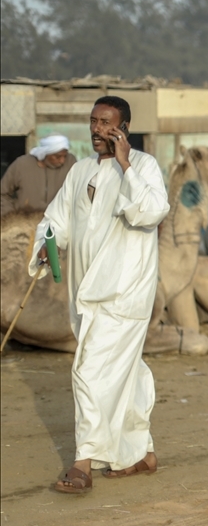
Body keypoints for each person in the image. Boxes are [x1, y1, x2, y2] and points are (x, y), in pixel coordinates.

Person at [30, 96, 169, 494]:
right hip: (86, 291)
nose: (97, 130)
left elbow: (151, 210)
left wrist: (126, 163)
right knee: (128, 372)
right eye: (93, 121)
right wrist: (48, 244)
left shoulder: (142, 167)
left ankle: (83, 463)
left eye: (106, 123)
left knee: (88, 371)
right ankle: (141, 453)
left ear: (124, 127)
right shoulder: (79, 172)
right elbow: (57, 219)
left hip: (125, 292)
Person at [1, 135, 77, 218]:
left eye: (64, 156)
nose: (62, 160)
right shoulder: (21, 164)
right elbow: (3, 193)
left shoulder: (70, 163)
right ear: (45, 153)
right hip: (25, 221)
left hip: (59, 221)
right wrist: (10, 216)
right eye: (57, 156)